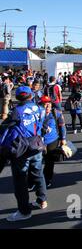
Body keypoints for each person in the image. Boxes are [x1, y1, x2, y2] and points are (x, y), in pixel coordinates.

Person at [6, 86, 47, 222]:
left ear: (17, 97)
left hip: (22, 148)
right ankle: (42, 200)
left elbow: (7, 129)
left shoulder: (16, 112)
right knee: (38, 172)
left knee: (20, 179)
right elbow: (44, 125)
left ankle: (24, 211)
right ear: (30, 95)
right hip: (37, 144)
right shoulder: (40, 109)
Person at [39, 96, 67, 188]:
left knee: (49, 162)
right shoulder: (36, 114)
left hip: (52, 141)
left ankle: (47, 179)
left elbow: (62, 126)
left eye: (49, 104)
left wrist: (63, 139)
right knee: (36, 162)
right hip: (38, 141)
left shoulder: (57, 113)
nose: (47, 106)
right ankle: (34, 180)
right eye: (44, 104)